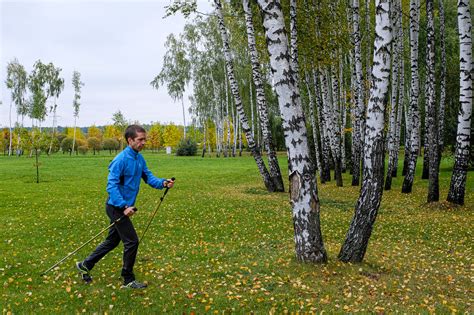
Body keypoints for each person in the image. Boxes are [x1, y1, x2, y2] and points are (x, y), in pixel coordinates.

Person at [76, 124, 174, 289]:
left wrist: (163, 182)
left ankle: (85, 265)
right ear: (130, 140)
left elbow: (148, 177)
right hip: (116, 207)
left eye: (145, 139)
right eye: (140, 140)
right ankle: (128, 279)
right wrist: (124, 206)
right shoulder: (120, 160)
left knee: (112, 241)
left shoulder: (139, 158)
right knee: (132, 241)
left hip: (124, 207)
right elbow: (111, 186)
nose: (144, 143)